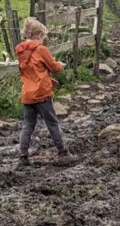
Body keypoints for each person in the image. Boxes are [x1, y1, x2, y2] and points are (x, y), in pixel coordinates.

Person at [15, 17, 77, 167]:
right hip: (42, 94)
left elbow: (32, 70)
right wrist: (60, 65)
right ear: (39, 35)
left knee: (28, 125)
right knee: (52, 124)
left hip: (27, 95)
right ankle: (63, 153)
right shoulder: (41, 49)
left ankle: (23, 156)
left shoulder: (20, 51)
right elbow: (53, 67)